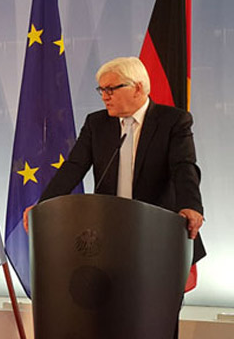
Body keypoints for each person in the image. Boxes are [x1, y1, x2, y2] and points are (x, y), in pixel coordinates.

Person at [23, 56, 205, 338]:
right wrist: (43, 206)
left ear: (138, 87)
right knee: (108, 321)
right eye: (101, 90)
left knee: (154, 323)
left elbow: (185, 167)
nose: (104, 96)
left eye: (111, 89)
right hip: (110, 242)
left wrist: (190, 206)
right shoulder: (96, 123)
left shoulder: (173, 121)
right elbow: (73, 167)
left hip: (156, 241)